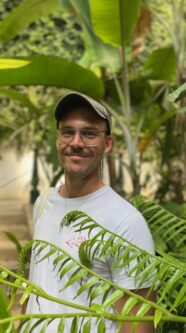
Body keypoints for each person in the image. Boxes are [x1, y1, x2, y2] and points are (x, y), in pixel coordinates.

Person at [26, 92, 156, 332]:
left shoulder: (126, 222)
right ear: (58, 139)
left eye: (89, 133)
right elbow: (39, 286)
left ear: (107, 143)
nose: (76, 142)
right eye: (68, 132)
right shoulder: (44, 203)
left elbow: (138, 323)